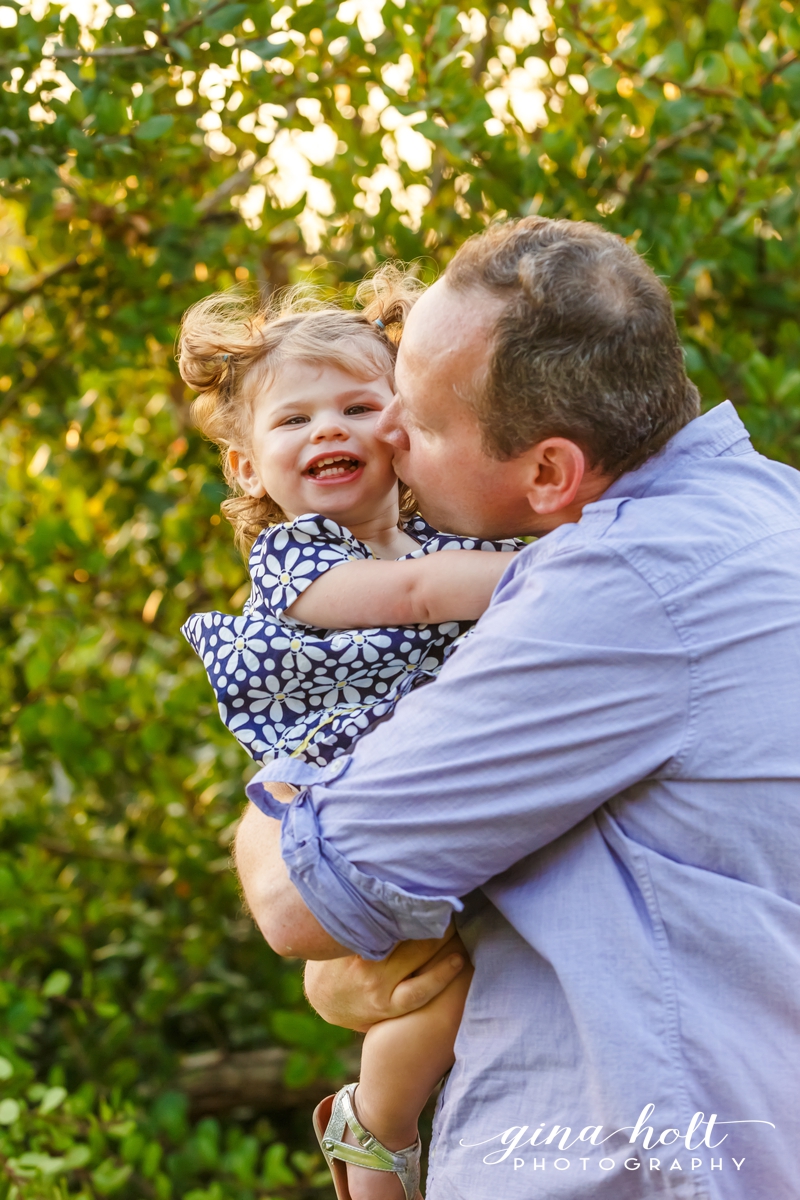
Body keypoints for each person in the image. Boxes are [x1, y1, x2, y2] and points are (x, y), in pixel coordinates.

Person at [235, 216, 800, 1200]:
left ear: (548, 472)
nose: (387, 442)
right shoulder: (767, 511)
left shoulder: (614, 586)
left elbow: (296, 901)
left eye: (416, 421)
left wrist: (278, 786)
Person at [176, 270, 522, 1200]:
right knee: (433, 989)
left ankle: (380, 1127)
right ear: (248, 468)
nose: (327, 430)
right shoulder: (298, 555)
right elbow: (411, 600)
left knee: (456, 974)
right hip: (333, 782)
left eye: (358, 406)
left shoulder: (443, 537)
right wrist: (554, 576)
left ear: (402, 428)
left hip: (421, 802)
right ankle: (377, 1133)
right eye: (293, 421)